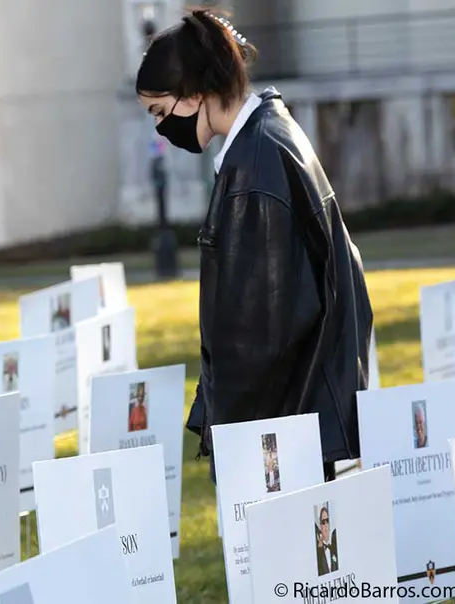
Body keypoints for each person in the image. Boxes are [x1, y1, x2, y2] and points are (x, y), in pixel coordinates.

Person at [136, 9, 373, 484]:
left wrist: (228, 439)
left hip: (281, 441)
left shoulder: (254, 166)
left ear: (195, 93)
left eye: (161, 112)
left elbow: (255, 338)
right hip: (307, 426)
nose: (162, 128)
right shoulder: (273, 134)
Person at [316, 505, 339, 576]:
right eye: (323, 522)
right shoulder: (318, 551)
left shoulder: (334, 548)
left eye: (327, 521)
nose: (326, 524)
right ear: (320, 526)